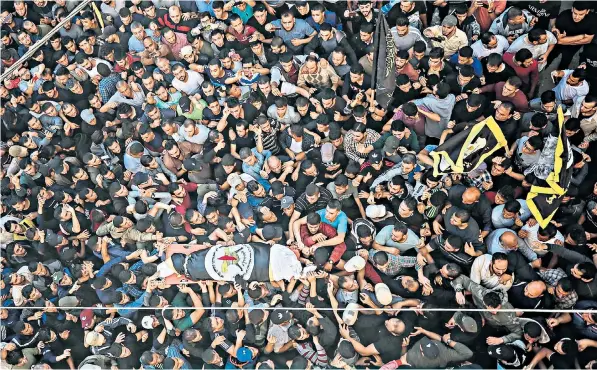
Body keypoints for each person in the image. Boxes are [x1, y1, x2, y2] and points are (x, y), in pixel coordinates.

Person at [1, 2, 596, 370]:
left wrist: (301, 226)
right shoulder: (338, 250)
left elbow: (299, 229)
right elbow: (269, 255)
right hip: (281, 242)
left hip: (288, 229)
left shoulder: (331, 222)